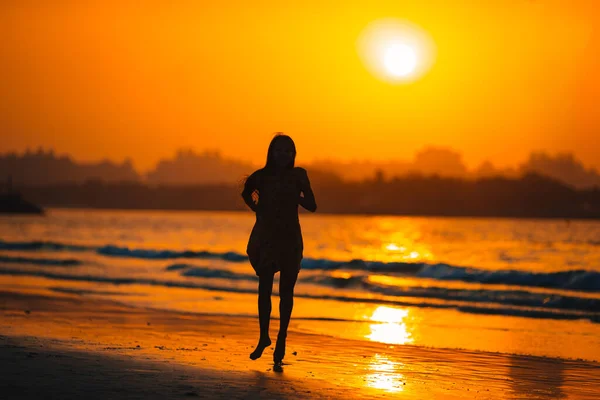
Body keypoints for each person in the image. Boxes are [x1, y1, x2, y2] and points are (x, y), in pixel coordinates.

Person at [241, 133, 317, 368]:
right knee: (264, 287)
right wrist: (257, 210)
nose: (283, 155)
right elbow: (245, 192)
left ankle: (282, 336)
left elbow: (313, 206)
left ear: (293, 155)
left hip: (290, 239)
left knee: (286, 292)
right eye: (279, 150)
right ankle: (264, 336)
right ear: (271, 153)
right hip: (267, 238)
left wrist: (297, 197)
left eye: (288, 151)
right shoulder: (262, 176)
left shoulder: (299, 175)